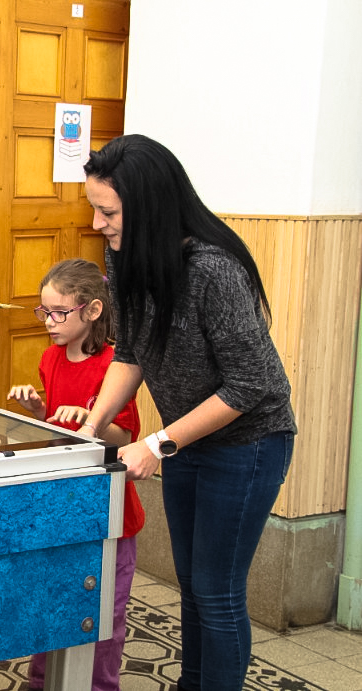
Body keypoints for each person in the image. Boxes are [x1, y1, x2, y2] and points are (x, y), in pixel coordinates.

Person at [78, 134, 296, 691]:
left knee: (217, 591)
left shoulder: (214, 269)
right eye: (96, 210)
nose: (99, 224)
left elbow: (251, 383)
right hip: (189, 440)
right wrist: (91, 426)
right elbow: (130, 353)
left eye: (109, 213)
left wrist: (158, 443)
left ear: (148, 206)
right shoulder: (124, 255)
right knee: (193, 586)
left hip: (249, 443)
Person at [7, 259, 143, 691]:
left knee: (104, 612)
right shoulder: (49, 357)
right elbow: (55, 425)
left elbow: (126, 436)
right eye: (43, 312)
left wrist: (92, 418)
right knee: (50, 601)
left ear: (92, 310)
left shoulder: (114, 364)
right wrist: (37, 410)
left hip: (108, 511)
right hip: (61, 505)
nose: (49, 321)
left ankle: (99, 685)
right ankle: (42, 682)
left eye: (59, 312)